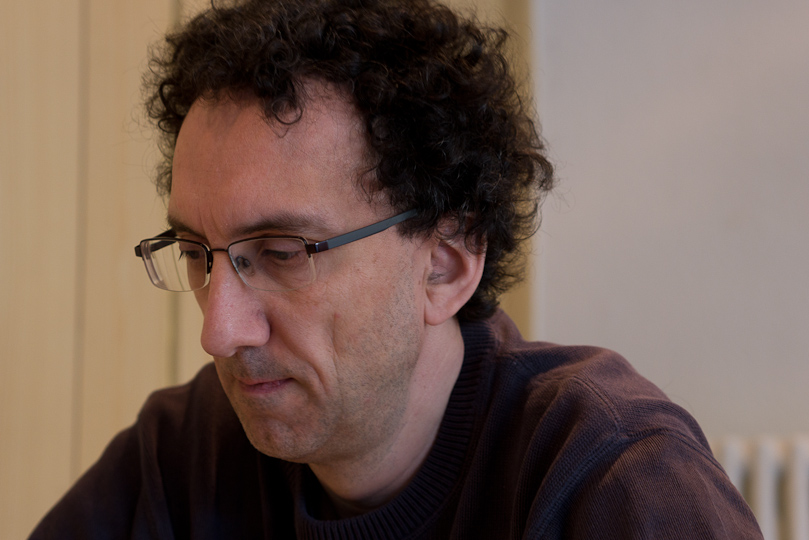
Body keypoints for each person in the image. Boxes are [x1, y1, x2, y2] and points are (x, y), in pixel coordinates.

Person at [31, 0, 763, 538]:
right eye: (197, 254)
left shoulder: (608, 480)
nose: (219, 332)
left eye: (282, 254)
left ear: (445, 267)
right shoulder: (183, 455)